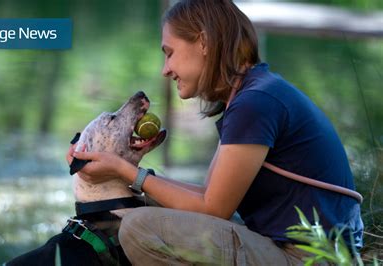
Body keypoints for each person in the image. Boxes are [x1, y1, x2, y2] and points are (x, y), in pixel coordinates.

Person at [67, 0, 363, 264]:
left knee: (138, 228)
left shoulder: (255, 103)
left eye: (169, 53)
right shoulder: (252, 93)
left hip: (311, 257)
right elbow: (208, 196)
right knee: (152, 205)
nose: (165, 69)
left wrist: (123, 169)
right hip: (302, 249)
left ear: (204, 42)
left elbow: (212, 209)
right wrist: (124, 172)